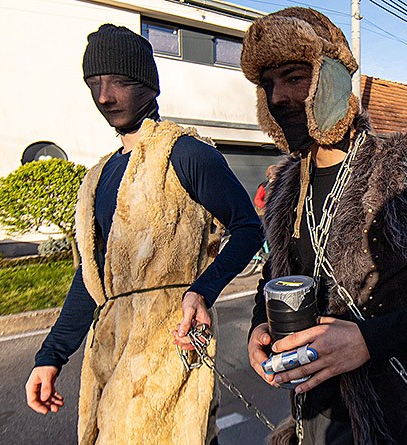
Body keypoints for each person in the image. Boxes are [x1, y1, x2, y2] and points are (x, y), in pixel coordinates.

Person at [240, 8, 407, 445]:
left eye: (294, 76)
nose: (279, 96)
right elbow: (273, 279)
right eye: (268, 84)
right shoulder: (283, 189)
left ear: (330, 76)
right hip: (309, 414)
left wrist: (366, 341)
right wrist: (259, 327)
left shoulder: (402, 171)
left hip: (389, 419)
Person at [23, 24, 262, 444]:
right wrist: (51, 357)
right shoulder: (97, 177)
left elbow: (248, 228)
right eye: (94, 83)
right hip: (110, 353)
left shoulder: (187, 154)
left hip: (173, 344)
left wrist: (202, 290)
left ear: (149, 86)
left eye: (119, 81)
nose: (104, 95)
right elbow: (93, 281)